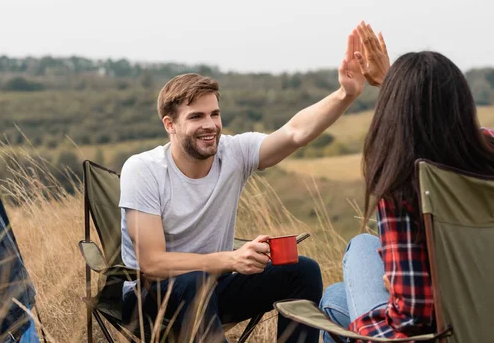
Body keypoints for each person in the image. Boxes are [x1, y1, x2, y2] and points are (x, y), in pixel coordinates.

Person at [119, 27, 368, 342]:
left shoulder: (233, 154)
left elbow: (294, 133)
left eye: (215, 114)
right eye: (196, 117)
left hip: (214, 288)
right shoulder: (144, 170)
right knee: (194, 281)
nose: (210, 125)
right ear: (170, 124)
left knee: (302, 271)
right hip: (150, 300)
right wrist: (230, 259)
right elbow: (151, 263)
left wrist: (346, 94)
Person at [319, 22, 494, 342]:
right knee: (335, 297)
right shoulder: (487, 158)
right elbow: (465, 136)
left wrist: (383, 302)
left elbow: (412, 316)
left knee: (354, 260)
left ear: (391, 114)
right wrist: (392, 82)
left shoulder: (405, 184)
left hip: (435, 334)